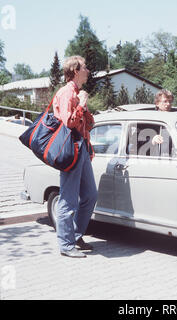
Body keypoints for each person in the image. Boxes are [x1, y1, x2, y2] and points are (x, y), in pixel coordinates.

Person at [53, 56, 98, 258]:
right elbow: (68, 123)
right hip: (70, 150)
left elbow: (87, 124)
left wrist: (85, 110)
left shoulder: (79, 93)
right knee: (68, 199)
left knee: (90, 195)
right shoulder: (66, 93)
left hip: (82, 149)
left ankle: (76, 235)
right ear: (75, 70)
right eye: (85, 68)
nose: (88, 71)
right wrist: (81, 104)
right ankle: (66, 244)